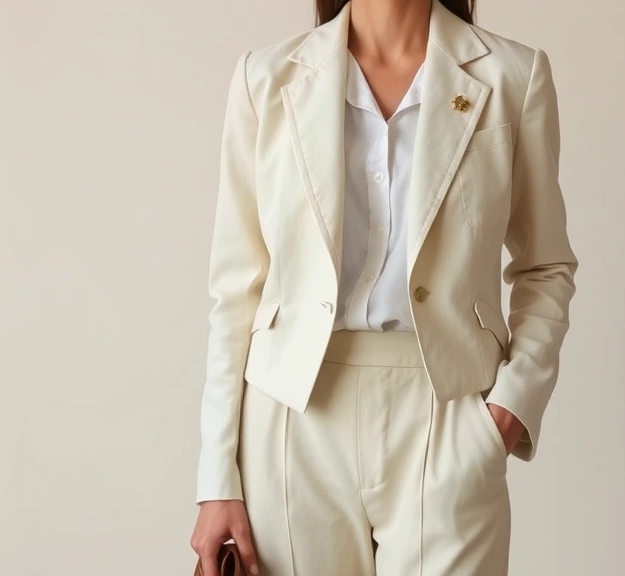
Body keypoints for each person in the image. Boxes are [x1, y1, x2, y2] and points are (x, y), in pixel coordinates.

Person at [190, 0, 577, 574]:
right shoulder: (265, 79)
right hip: (292, 419)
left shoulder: (512, 75)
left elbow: (545, 266)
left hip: (447, 411)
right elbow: (236, 289)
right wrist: (217, 476)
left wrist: (508, 411)